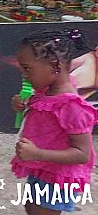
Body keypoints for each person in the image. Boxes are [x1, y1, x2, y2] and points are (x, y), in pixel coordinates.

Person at [11, 29, 98, 214]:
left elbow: (82, 154)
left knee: (39, 210)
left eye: (27, 69)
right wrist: (23, 104)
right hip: (43, 168)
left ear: (54, 66)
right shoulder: (48, 90)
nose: (24, 75)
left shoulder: (72, 106)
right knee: (32, 205)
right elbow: (43, 109)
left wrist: (38, 154)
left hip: (57, 176)